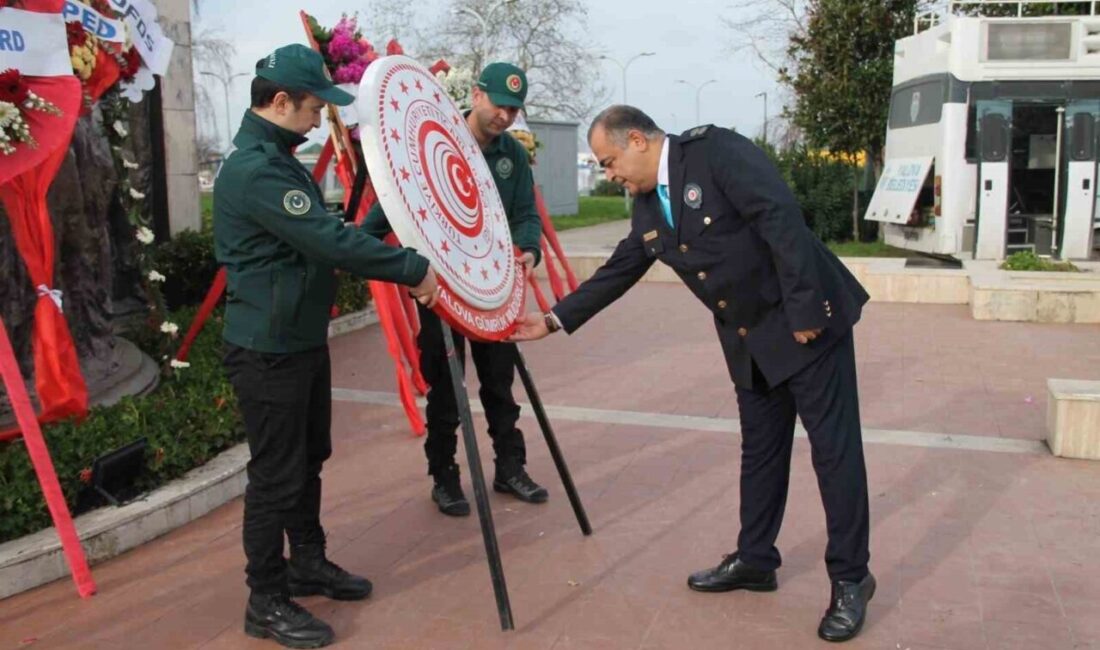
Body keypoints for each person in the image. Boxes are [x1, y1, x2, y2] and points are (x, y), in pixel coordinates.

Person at [510, 105, 876, 643]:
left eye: (611, 162)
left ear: (637, 140)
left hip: (805, 324)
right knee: (761, 452)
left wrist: (804, 312)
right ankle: (756, 559)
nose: (610, 175)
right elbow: (621, 268)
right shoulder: (646, 205)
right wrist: (554, 319)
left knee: (834, 453)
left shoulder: (715, 152)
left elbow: (780, 217)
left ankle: (851, 577)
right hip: (749, 338)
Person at [214, 44, 441, 649]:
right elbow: (327, 244)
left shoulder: (281, 160)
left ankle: (307, 562)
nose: (319, 121)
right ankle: (265, 598)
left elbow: (328, 239)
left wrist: (384, 207)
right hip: (270, 350)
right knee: (275, 476)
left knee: (307, 459)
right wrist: (411, 268)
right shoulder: (257, 170)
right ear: (281, 101)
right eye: (314, 108)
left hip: (298, 341)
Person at [362, 62, 547, 517]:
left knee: (500, 386)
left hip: (495, 290)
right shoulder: (434, 138)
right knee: (445, 390)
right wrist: (360, 241)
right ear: (478, 94)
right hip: (440, 289)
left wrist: (528, 250)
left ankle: (510, 467)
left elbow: (526, 213)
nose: (505, 116)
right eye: (500, 105)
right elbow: (400, 197)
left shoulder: (513, 156)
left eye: (514, 109)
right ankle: (444, 477)